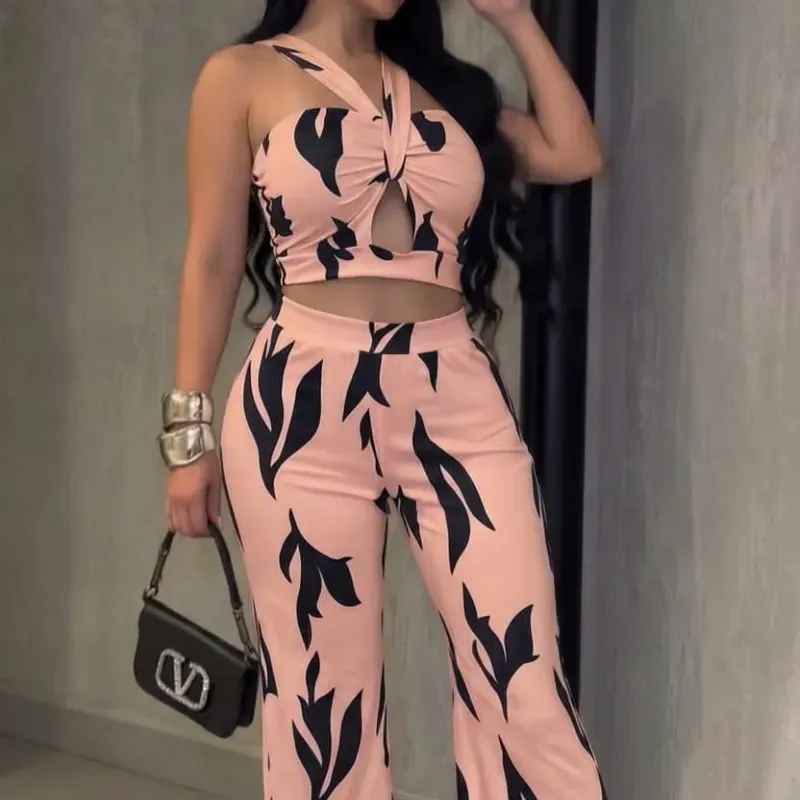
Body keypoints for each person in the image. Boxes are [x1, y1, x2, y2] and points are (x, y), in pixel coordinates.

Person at [159, 0, 606, 797]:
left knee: (525, 687)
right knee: (325, 711)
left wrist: (514, 18)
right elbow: (213, 258)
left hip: (454, 396)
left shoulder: (446, 90)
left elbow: (574, 152)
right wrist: (187, 436)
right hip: (300, 410)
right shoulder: (241, 77)